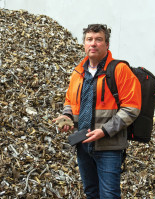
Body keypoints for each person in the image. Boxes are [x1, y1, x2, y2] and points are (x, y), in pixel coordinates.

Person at [52, 24, 141, 198]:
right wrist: (66, 115)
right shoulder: (77, 73)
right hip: (83, 144)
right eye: (89, 39)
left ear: (107, 45)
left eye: (98, 39)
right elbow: (70, 102)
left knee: (109, 194)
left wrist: (104, 131)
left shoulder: (120, 70)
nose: (93, 43)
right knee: (91, 192)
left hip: (109, 146)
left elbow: (132, 108)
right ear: (84, 44)